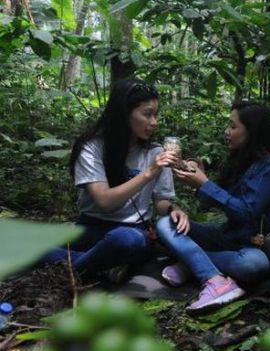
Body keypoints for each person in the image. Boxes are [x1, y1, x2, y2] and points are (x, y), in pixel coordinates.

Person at [40, 79, 187, 279]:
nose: (154, 122)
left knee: (125, 240)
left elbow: (161, 201)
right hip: (90, 227)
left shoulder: (156, 152)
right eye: (147, 114)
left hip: (132, 231)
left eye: (155, 114)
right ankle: (103, 265)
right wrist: (148, 173)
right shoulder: (92, 147)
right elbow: (105, 202)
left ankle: (76, 268)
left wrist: (173, 210)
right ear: (123, 114)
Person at [155, 101, 270, 313]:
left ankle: (193, 263)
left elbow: (246, 211)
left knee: (254, 265)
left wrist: (205, 184)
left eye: (233, 127)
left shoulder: (268, 165)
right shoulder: (239, 159)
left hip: (250, 246)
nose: (227, 132)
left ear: (252, 131)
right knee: (165, 223)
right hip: (225, 237)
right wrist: (197, 179)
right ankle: (200, 265)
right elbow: (211, 204)